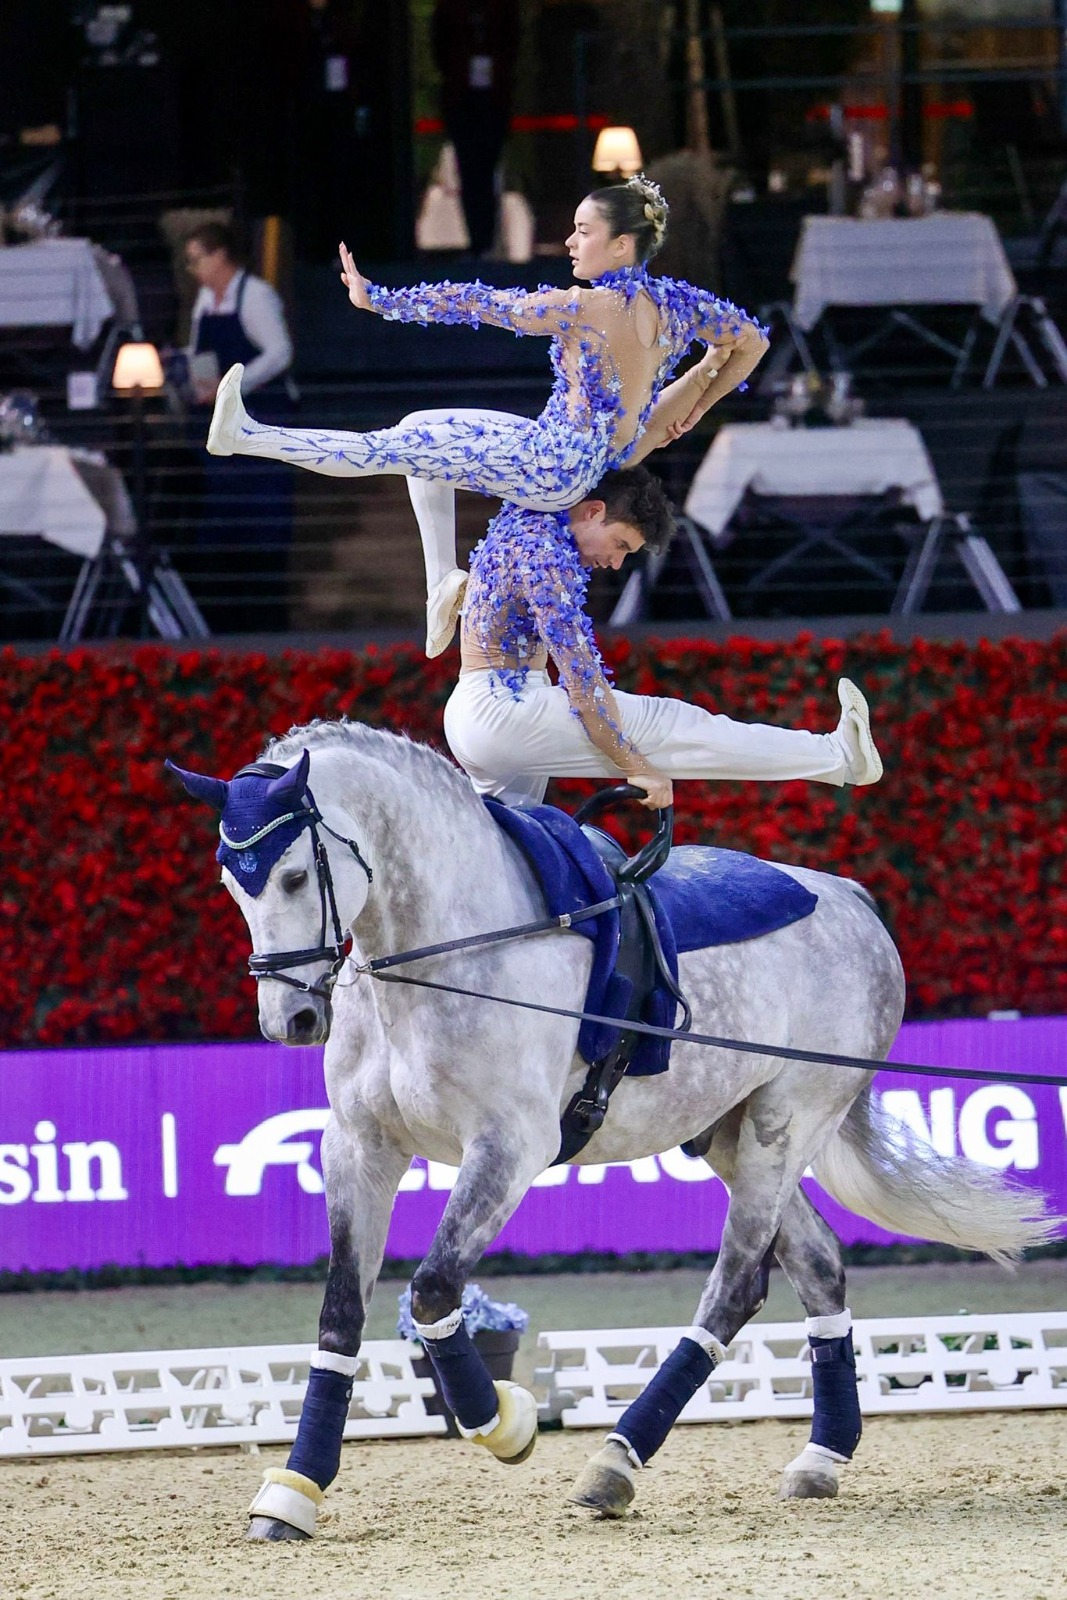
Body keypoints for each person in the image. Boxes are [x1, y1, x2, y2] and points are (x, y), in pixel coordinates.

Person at [205, 175, 769, 654]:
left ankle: (246, 436)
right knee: (418, 428)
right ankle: (441, 585)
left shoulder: (583, 308)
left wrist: (379, 299)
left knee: (387, 449)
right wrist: (699, 401)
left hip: (551, 467)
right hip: (563, 458)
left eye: (583, 232)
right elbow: (750, 344)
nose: (570, 241)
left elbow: (478, 303)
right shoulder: (677, 304)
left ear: (623, 245)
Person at [444, 467, 883, 810]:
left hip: (474, 716)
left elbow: (426, 446)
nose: (615, 563)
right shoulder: (545, 559)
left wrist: (438, 575)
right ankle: (839, 755)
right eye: (620, 544)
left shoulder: (524, 510)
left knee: (503, 866)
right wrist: (638, 768)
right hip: (500, 717)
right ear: (593, 510)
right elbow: (583, 689)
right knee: (669, 724)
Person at [183, 221, 296, 630]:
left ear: (219, 256)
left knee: (261, 520)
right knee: (224, 521)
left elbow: (280, 352)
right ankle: (226, 620)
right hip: (221, 430)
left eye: (197, 259)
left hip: (259, 422)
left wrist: (233, 385)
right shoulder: (204, 302)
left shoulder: (255, 296)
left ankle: (266, 619)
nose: (192, 268)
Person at [430, 0, 520, 257]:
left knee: (490, 171)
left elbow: (511, 44)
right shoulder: (452, 9)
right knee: (468, 174)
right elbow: (441, 47)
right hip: (462, 101)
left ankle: (489, 240)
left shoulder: (500, 9)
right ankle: (477, 241)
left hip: (493, 100)